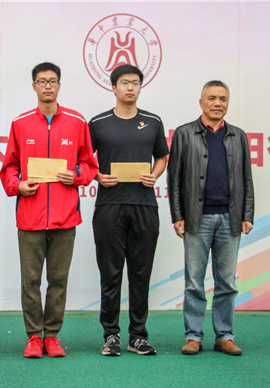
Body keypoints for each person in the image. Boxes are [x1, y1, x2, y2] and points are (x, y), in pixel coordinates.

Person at [0, 62, 98, 358]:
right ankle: (33, 336)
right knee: (30, 281)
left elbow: (89, 164)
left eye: (52, 81)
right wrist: (18, 185)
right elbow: (9, 166)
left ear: (59, 85)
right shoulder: (20, 123)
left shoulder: (77, 122)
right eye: (41, 81)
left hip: (64, 217)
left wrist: (76, 175)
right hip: (30, 216)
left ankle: (52, 336)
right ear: (34, 86)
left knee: (58, 280)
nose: (47, 86)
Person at [167, 80, 254, 356]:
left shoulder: (238, 136)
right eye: (212, 98)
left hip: (231, 218)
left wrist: (247, 214)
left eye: (223, 99)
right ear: (201, 102)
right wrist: (178, 215)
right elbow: (174, 179)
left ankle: (225, 336)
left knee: (227, 283)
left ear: (228, 103)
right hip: (196, 219)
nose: (218, 103)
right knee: (194, 282)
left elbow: (247, 178)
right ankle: (193, 336)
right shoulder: (184, 134)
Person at [88, 64, 168, 356]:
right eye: (124, 82)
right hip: (109, 205)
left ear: (140, 87)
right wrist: (98, 176)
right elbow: (84, 160)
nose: (130, 87)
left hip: (144, 204)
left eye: (135, 82)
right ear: (113, 87)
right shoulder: (98, 123)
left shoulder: (153, 121)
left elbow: (162, 156)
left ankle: (138, 336)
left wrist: (155, 175)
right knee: (110, 274)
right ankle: (111, 335)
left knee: (140, 273)